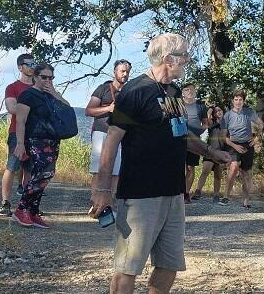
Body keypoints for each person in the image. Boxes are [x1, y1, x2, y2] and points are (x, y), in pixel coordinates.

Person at [88, 33, 230, 294]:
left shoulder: (173, 91)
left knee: (169, 264)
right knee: (128, 267)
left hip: (173, 191)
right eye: (184, 55)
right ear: (168, 59)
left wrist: (211, 151)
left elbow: (180, 133)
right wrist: (103, 190)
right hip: (141, 194)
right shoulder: (134, 91)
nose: (188, 60)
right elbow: (112, 139)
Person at [11, 63, 70, 228]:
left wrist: (55, 93)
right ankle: (21, 208)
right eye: (44, 77)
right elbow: (21, 121)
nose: (47, 80)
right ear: (35, 77)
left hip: (53, 139)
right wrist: (20, 143)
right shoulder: (28, 95)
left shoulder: (51, 95)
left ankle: (33, 211)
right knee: (43, 173)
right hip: (35, 139)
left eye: (51, 78)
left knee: (47, 174)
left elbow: (67, 109)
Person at [85, 59, 131, 193]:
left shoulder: (128, 92)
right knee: (98, 170)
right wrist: (108, 109)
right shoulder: (103, 89)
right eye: (122, 71)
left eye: (127, 72)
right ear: (114, 72)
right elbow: (88, 111)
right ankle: (95, 202)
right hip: (101, 132)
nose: (125, 74)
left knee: (116, 172)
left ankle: (111, 204)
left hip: (119, 135)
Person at [0, 53, 36, 216]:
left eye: (34, 63)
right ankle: (5, 202)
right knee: (12, 167)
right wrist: (35, 110)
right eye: (29, 64)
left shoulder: (40, 86)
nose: (32, 66)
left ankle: (25, 204)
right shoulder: (12, 87)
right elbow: (12, 108)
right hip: (16, 132)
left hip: (35, 134)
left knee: (30, 170)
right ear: (20, 67)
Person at [219, 90, 264, 207]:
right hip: (233, 144)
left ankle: (246, 201)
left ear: (243, 101)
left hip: (247, 145)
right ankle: (225, 197)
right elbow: (224, 137)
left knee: (246, 173)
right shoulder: (227, 115)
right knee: (234, 167)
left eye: (240, 100)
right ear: (232, 101)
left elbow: (260, 124)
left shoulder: (249, 112)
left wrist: (256, 138)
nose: (238, 102)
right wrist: (235, 146)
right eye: (236, 99)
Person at [192, 106, 224, 202]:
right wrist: (211, 109)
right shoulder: (212, 123)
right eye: (216, 111)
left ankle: (216, 195)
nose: (218, 112)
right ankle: (198, 192)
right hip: (210, 151)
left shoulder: (226, 123)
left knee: (218, 175)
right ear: (214, 114)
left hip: (221, 152)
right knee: (205, 172)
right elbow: (208, 117)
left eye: (220, 110)